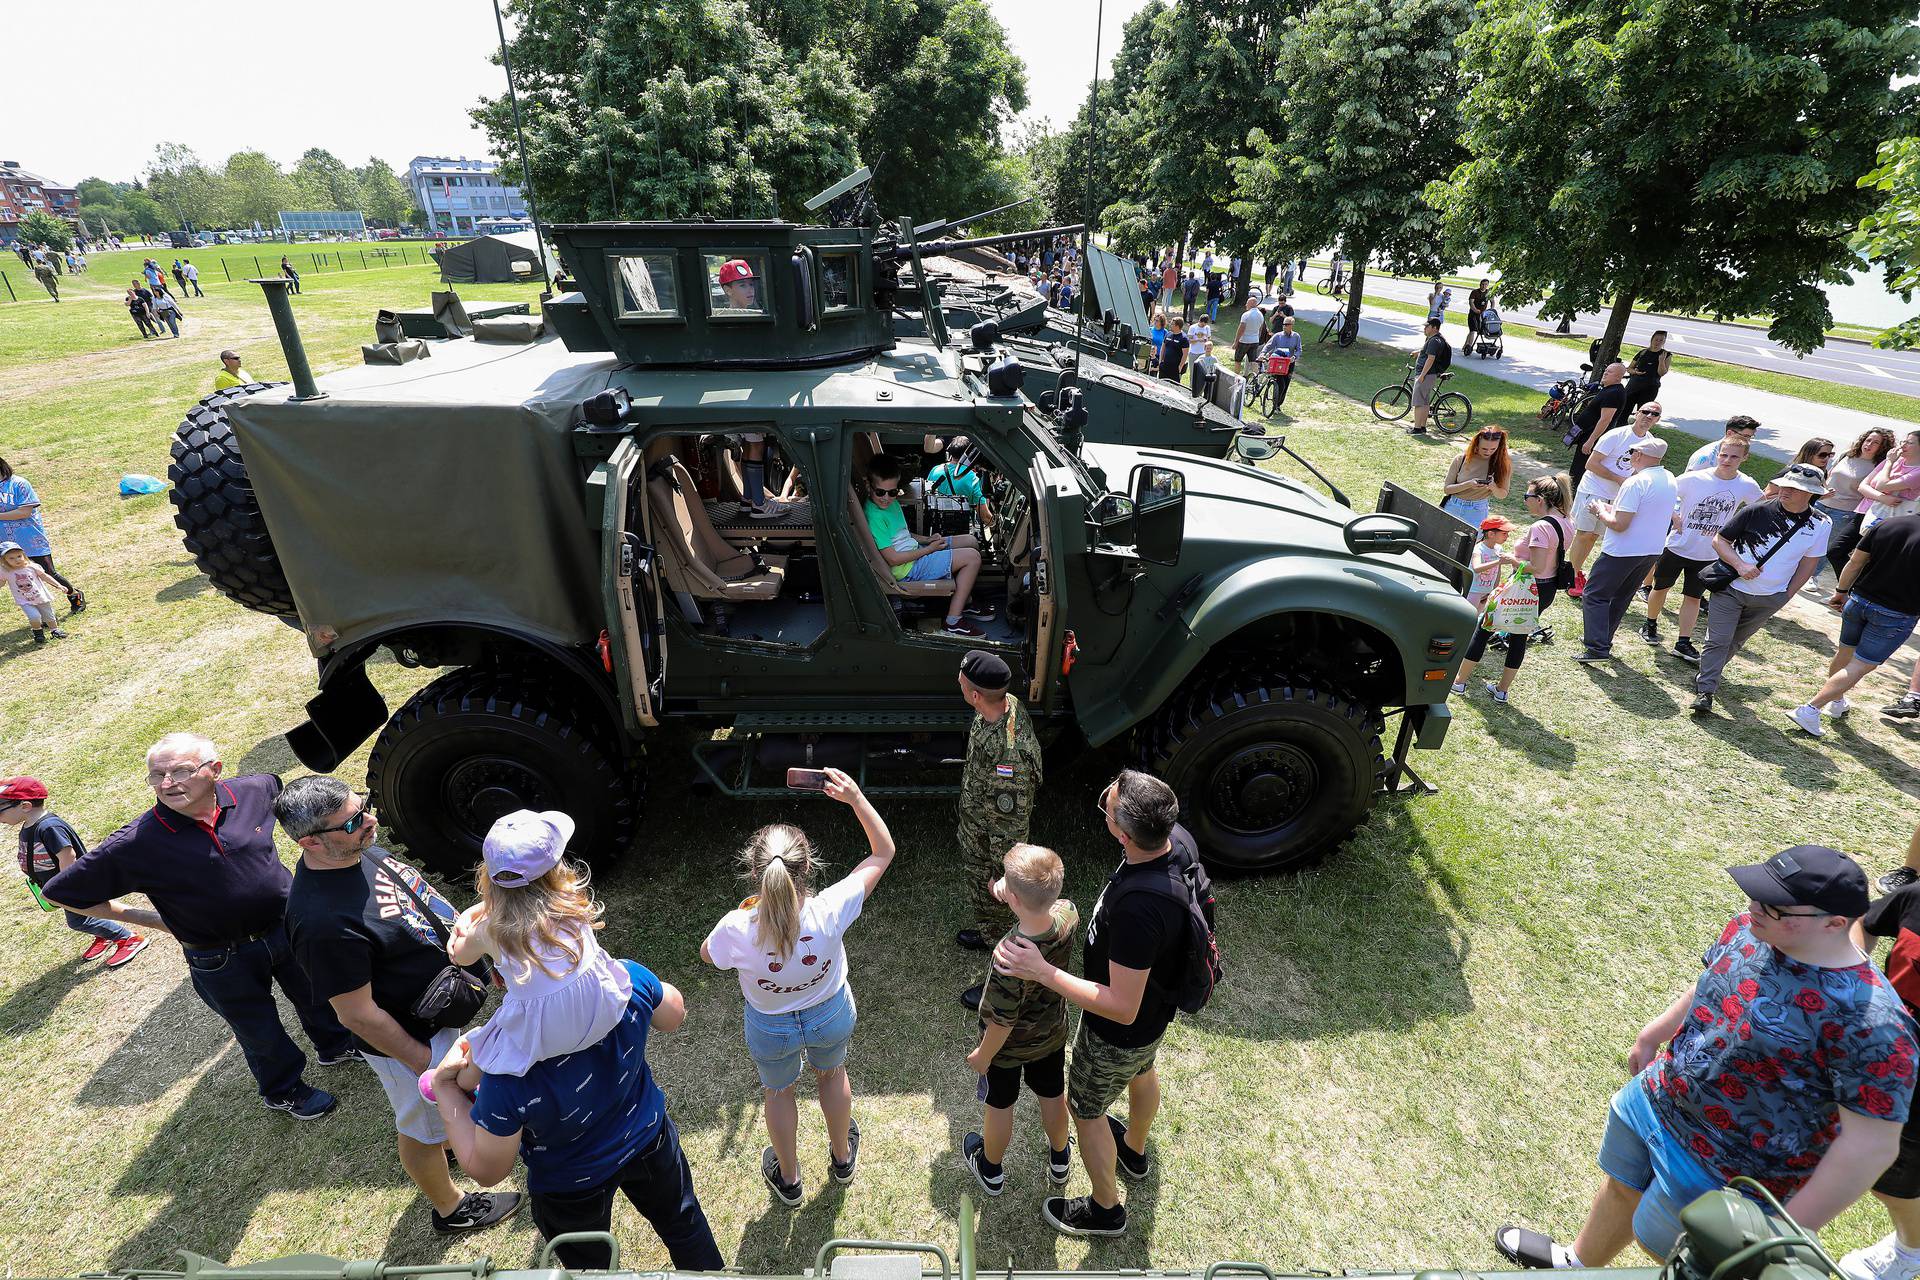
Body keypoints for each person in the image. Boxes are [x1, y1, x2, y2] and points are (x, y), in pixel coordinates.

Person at [1494, 846, 1915, 1269]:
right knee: (1622, 1187)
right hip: (1658, 1099)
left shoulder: (1875, 1023)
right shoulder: (1750, 928)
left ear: (1835, 923)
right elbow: (1711, 980)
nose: (1754, 906)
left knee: (1671, 1257)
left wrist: (1790, 1228)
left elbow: (1872, 1145)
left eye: (1773, 905)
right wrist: (1656, 1031)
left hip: (1727, 1170)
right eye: (1756, 893)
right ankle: (1577, 1267)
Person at [43, 733, 356, 1120]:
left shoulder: (255, 790)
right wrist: (148, 920)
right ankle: (284, 1089)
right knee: (258, 1028)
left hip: (285, 927)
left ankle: (336, 1045)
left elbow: (278, 788)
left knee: (315, 993)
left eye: (180, 771)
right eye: (157, 776)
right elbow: (60, 892)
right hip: (220, 956)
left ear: (215, 771)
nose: (167, 784)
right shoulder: (136, 843)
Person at [279, 777, 524, 1235]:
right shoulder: (321, 923)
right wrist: (425, 1067)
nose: (369, 820)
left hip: (441, 1010)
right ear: (310, 841)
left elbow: (421, 907)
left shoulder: (354, 848)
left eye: (364, 806)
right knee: (421, 1128)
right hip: (410, 1041)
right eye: (352, 821)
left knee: (444, 1111)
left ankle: (452, 1133)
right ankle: (450, 1208)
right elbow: (356, 1014)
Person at [994, 769, 1194, 1238]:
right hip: (1154, 1018)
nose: (1104, 797)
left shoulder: (1139, 912)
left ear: (1124, 833)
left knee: (1086, 1110)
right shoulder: (1174, 840)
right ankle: (1135, 1150)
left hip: (1117, 1031)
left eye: (1110, 801)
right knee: (1143, 1070)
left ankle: (1106, 1209)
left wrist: (1046, 972)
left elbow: (1121, 1005)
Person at [436, 959, 721, 1272]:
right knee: (683, 1224)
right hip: (648, 1139)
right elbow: (673, 1015)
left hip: (570, 1185)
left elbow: (488, 1170)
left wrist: (445, 1089)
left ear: (498, 977)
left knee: (591, 1271)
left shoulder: (505, 1076)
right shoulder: (624, 983)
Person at [701, 769, 895, 1207]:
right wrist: (856, 798)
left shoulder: (737, 926)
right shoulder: (831, 908)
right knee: (833, 1075)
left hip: (769, 1027)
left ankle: (789, 1180)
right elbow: (883, 852)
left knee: (778, 1092)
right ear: (808, 868)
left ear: (755, 873)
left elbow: (707, 956)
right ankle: (842, 1158)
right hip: (830, 1014)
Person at [441, 809, 632, 1094]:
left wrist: (462, 925)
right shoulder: (569, 899)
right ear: (555, 870)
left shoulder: (490, 930)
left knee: (485, 1050)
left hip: (546, 1033)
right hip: (601, 1007)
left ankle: (452, 1089)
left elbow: (461, 956)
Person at [963, 843, 1078, 1198]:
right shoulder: (1068, 915)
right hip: (1051, 1035)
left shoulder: (1009, 957)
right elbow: (1046, 900)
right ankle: (1060, 1157)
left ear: (1011, 898)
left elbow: (1002, 1023)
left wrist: (983, 1055)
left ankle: (991, 1168)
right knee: (1052, 1095)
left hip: (1007, 1051)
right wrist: (1011, 891)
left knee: (1000, 1105)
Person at [1689, 463, 1833, 716]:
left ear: (1812, 493)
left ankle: (1707, 673)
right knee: (1718, 640)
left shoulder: (1821, 523)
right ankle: (1706, 691)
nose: (1785, 490)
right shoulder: (1757, 510)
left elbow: (1809, 562)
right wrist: (1740, 564)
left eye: (1794, 488)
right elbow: (1720, 540)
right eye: (1785, 484)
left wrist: (1786, 596)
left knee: (1735, 641)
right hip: (1731, 588)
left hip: (1770, 597)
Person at [954, 650, 1044, 1006]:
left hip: (991, 845)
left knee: (1001, 906)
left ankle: (1002, 984)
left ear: (976, 695)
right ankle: (990, 930)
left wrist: (1001, 874)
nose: (957, 686)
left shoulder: (1009, 756)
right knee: (987, 907)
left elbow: (1009, 827)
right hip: (979, 830)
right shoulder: (1003, 705)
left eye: (961, 684)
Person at [1788, 512, 1920, 736]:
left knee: (1845, 654)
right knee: (1860, 665)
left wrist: (1840, 591)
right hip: (1896, 614)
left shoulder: (1889, 523)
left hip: (1858, 601)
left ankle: (1836, 701)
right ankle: (1810, 709)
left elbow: (1855, 561)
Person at [1849, 876, 1920, 1280]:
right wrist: (1857, 975)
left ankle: (1911, 1252)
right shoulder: (1915, 897)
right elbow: (1868, 921)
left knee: (1890, 1182)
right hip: (1884, 1058)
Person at [1454, 474, 1575, 704]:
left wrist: (1510, 559)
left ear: (1540, 499)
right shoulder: (1567, 520)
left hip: (1525, 587)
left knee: (1484, 628)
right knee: (1519, 636)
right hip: (1546, 590)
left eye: (1527, 496)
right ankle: (1501, 690)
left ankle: (1459, 682)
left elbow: (1535, 567)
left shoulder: (1541, 526)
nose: (1525, 501)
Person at [2, 776, 146, 967]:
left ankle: (128, 938)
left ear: (25, 806)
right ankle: (103, 935)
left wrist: (66, 886)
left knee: (78, 921)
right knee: (84, 915)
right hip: (57, 886)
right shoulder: (29, 826)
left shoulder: (48, 827)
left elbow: (67, 855)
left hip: (72, 885)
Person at [1641, 436, 1760, 660]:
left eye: (1734, 456)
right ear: (1717, 454)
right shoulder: (1695, 478)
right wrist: (1673, 514)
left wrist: (1740, 533)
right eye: (1723, 454)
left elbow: (1760, 509)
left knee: (1693, 597)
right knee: (1660, 588)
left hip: (1709, 553)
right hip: (1677, 546)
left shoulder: (1746, 484)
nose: (1727, 460)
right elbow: (1663, 492)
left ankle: (1683, 642)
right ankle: (1650, 624)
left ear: (1745, 458)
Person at [863, 454, 989, 637]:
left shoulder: (890, 504)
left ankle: (964, 600)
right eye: (880, 492)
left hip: (916, 552)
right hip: (907, 569)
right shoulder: (875, 515)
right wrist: (929, 550)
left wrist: (926, 540)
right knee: (972, 558)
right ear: (869, 486)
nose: (886, 498)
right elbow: (893, 558)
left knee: (971, 541)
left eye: (892, 492)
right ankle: (953, 622)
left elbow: (902, 535)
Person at [1577, 437, 1678, 662]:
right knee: (1621, 597)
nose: (1630, 455)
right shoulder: (1669, 478)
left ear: (1639, 455)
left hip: (1622, 551)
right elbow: (1642, 512)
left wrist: (1599, 511)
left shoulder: (1635, 482)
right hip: (1650, 550)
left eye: (1632, 452)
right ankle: (1602, 641)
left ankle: (1596, 648)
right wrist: (1611, 508)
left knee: (1595, 595)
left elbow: (1620, 525)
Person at [1566, 390, 1653, 594]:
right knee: (1584, 533)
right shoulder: (1616, 435)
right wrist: (1620, 479)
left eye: (1654, 414)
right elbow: (1591, 464)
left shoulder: (1649, 442)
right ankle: (1572, 576)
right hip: (1594, 489)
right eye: (1646, 412)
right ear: (1637, 413)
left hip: (1616, 496)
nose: (1649, 417)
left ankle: (1577, 573)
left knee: (1594, 535)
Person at [1824, 429, 1897, 573]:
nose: (1869, 444)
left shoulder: (1878, 466)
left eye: (1876, 442)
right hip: (1822, 503)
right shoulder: (1847, 455)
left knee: (1828, 548)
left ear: (1883, 447)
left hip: (1844, 511)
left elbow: (1868, 488)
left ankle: (1813, 577)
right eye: (1868, 440)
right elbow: (1830, 475)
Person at [1566, 361, 1627, 493]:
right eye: (1606, 370)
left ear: (1618, 377)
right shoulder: (1608, 389)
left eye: (1610, 372)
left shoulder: (1614, 393)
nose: (1605, 373)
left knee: (1580, 469)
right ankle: (1571, 492)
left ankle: (1573, 495)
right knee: (1577, 467)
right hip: (1586, 434)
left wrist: (1591, 440)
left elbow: (1605, 419)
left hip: (1592, 437)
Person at [1439, 427, 1513, 529]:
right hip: (1453, 505)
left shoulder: (1502, 464)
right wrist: (1468, 484)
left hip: (1477, 510)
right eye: (1484, 448)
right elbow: (1447, 489)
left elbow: (1502, 494)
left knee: (1470, 543)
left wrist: (1493, 487)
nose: (1488, 452)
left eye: (1493, 449)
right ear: (1476, 444)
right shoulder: (1461, 459)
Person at [1, 541, 69, 642]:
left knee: (49, 616)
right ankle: (38, 632)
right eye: (11, 558)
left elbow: (45, 576)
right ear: (4, 560)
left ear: (24, 555)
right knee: (34, 616)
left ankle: (54, 630)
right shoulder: (5, 571)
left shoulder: (32, 566)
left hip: (40, 596)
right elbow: (1, 583)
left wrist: (58, 585)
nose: (17, 560)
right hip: (24, 600)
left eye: (19, 556)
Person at [926, 438, 994, 533]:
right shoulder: (972, 478)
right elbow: (985, 517)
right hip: (959, 532)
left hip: (935, 530)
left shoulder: (935, 470)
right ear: (970, 455)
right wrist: (995, 524)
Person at [1465, 515, 1519, 614]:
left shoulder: (1498, 549)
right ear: (1491, 534)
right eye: (1504, 533)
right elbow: (1477, 568)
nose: (1507, 536)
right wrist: (1499, 561)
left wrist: (1494, 589)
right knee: (1468, 617)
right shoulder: (1478, 549)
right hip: (1474, 591)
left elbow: (1498, 571)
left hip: (1486, 590)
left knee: (1477, 617)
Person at [1408, 317, 1452, 435]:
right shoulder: (1435, 339)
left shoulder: (1433, 341)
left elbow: (1431, 358)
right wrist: (1418, 352)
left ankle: (1417, 428)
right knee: (1425, 402)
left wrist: (1422, 375)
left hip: (1426, 375)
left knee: (1418, 402)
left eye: (1427, 326)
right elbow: (1428, 352)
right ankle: (1422, 427)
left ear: (1434, 328)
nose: (1424, 328)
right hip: (1430, 375)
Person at [1684, 416, 1761, 474]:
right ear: (1730, 433)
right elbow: (1688, 485)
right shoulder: (1707, 457)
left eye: (1750, 437)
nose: (1748, 441)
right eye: (1746, 436)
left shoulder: (1732, 453)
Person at [1256, 317, 1303, 410]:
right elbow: (1269, 345)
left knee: (1286, 384)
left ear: (1291, 326)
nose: (1284, 326)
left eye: (1286, 325)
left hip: (1289, 363)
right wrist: (1262, 353)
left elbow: (1299, 349)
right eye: (1283, 324)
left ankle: (1278, 404)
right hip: (1278, 363)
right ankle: (1275, 404)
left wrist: (1294, 357)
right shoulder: (1278, 336)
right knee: (1280, 384)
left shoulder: (1296, 336)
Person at [1622, 331, 1670, 417]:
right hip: (1634, 386)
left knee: (1643, 413)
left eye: (1661, 340)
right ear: (1652, 339)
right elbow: (1629, 369)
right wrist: (1636, 372)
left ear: (1664, 342)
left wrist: (1661, 361)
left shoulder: (1666, 355)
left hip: (1650, 388)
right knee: (1624, 411)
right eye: (1656, 339)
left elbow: (1661, 373)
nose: (1658, 342)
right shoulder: (1643, 352)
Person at [1232, 301, 1265, 375]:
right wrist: (1257, 338)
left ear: (1251, 304)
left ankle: (1236, 378)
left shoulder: (1246, 315)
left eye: (1247, 303)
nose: (1246, 304)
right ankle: (1256, 379)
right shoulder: (1260, 315)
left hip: (1244, 341)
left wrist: (1236, 341)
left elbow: (1241, 329)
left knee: (1238, 360)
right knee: (1253, 361)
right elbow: (1260, 329)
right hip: (1255, 341)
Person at [1159, 316, 1190, 383]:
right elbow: (1163, 348)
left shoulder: (1184, 338)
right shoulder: (1168, 334)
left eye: (1172, 324)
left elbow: (1185, 355)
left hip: (1175, 369)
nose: (1170, 325)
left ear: (1177, 326)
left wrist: (1180, 367)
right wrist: (1160, 361)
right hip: (1164, 366)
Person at [1467, 278, 1491, 343]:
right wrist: (1475, 310)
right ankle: (1469, 345)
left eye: (1486, 284)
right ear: (1480, 284)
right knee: (1472, 330)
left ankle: (1466, 345)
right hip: (1473, 314)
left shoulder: (1488, 292)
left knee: (1477, 331)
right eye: (1482, 284)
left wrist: (1491, 309)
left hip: (1482, 315)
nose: (1484, 286)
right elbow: (1471, 302)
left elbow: (1492, 301)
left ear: (1487, 285)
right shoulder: (1475, 292)